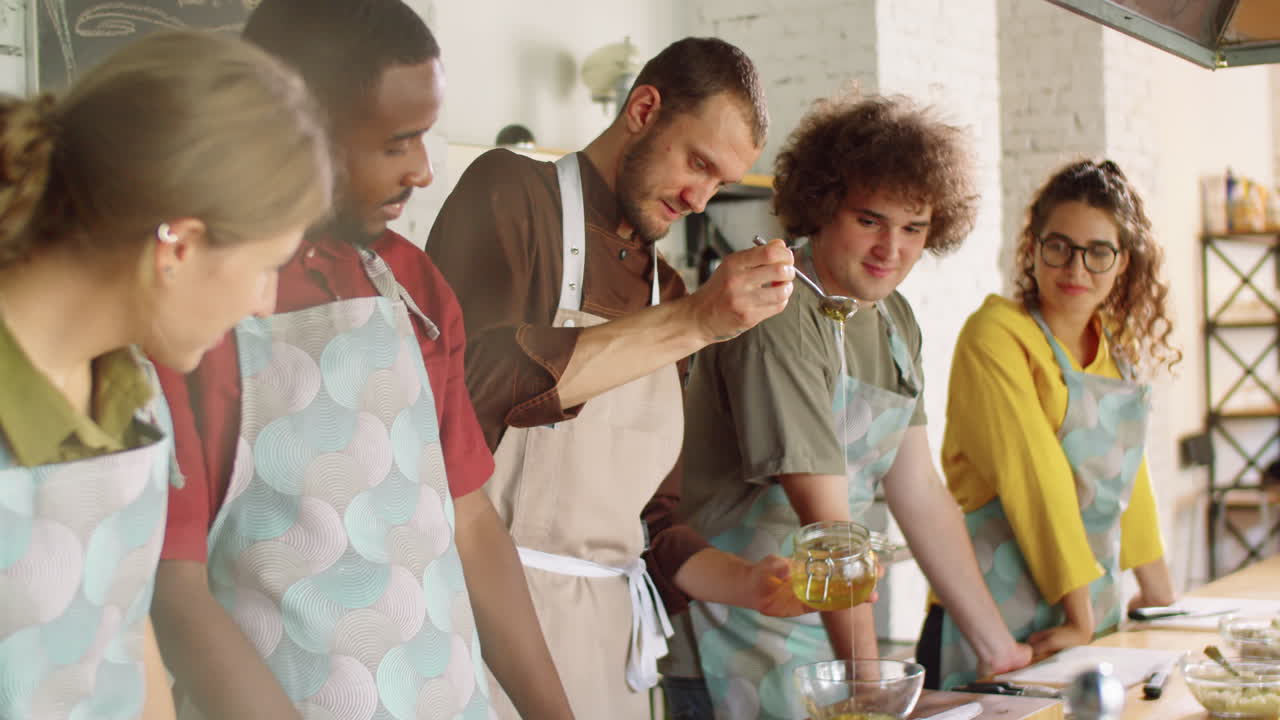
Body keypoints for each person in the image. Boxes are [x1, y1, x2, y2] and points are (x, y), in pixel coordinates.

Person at [149, 2, 575, 718]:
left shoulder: (410, 280)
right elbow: (175, 592)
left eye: (426, 138)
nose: (422, 169)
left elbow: (469, 522)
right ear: (293, 131)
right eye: (396, 142)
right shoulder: (197, 307)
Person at [426, 36, 810, 720]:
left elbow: (653, 524)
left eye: (720, 181)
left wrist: (749, 583)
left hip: (616, 657)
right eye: (697, 163)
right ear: (642, 108)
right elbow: (471, 393)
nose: (700, 199)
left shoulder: (668, 287)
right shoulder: (511, 194)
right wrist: (695, 323)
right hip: (493, 635)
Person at [662, 93, 1034, 720]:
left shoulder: (892, 319)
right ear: (822, 206)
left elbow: (919, 492)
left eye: (914, 229)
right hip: (734, 640)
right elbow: (828, 529)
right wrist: (868, 688)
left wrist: (1001, 653)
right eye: (870, 221)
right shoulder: (777, 310)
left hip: (826, 637)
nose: (893, 248)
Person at [0, 29, 332, 720]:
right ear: (178, 244)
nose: (263, 304)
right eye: (266, 267)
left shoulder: (131, 385)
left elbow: (123, 628)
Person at [917, 158, 1179, 690]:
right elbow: (1034, 478)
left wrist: (1159, 598)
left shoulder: (1115, 352)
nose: (1076, 269)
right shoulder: (995, 334)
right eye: (1058, 246)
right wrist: (1078, 617)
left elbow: (1130, 486)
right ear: (1033, 248)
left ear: (1123, 262)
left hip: (1086, 621)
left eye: (1098, 252)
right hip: (990, 620)